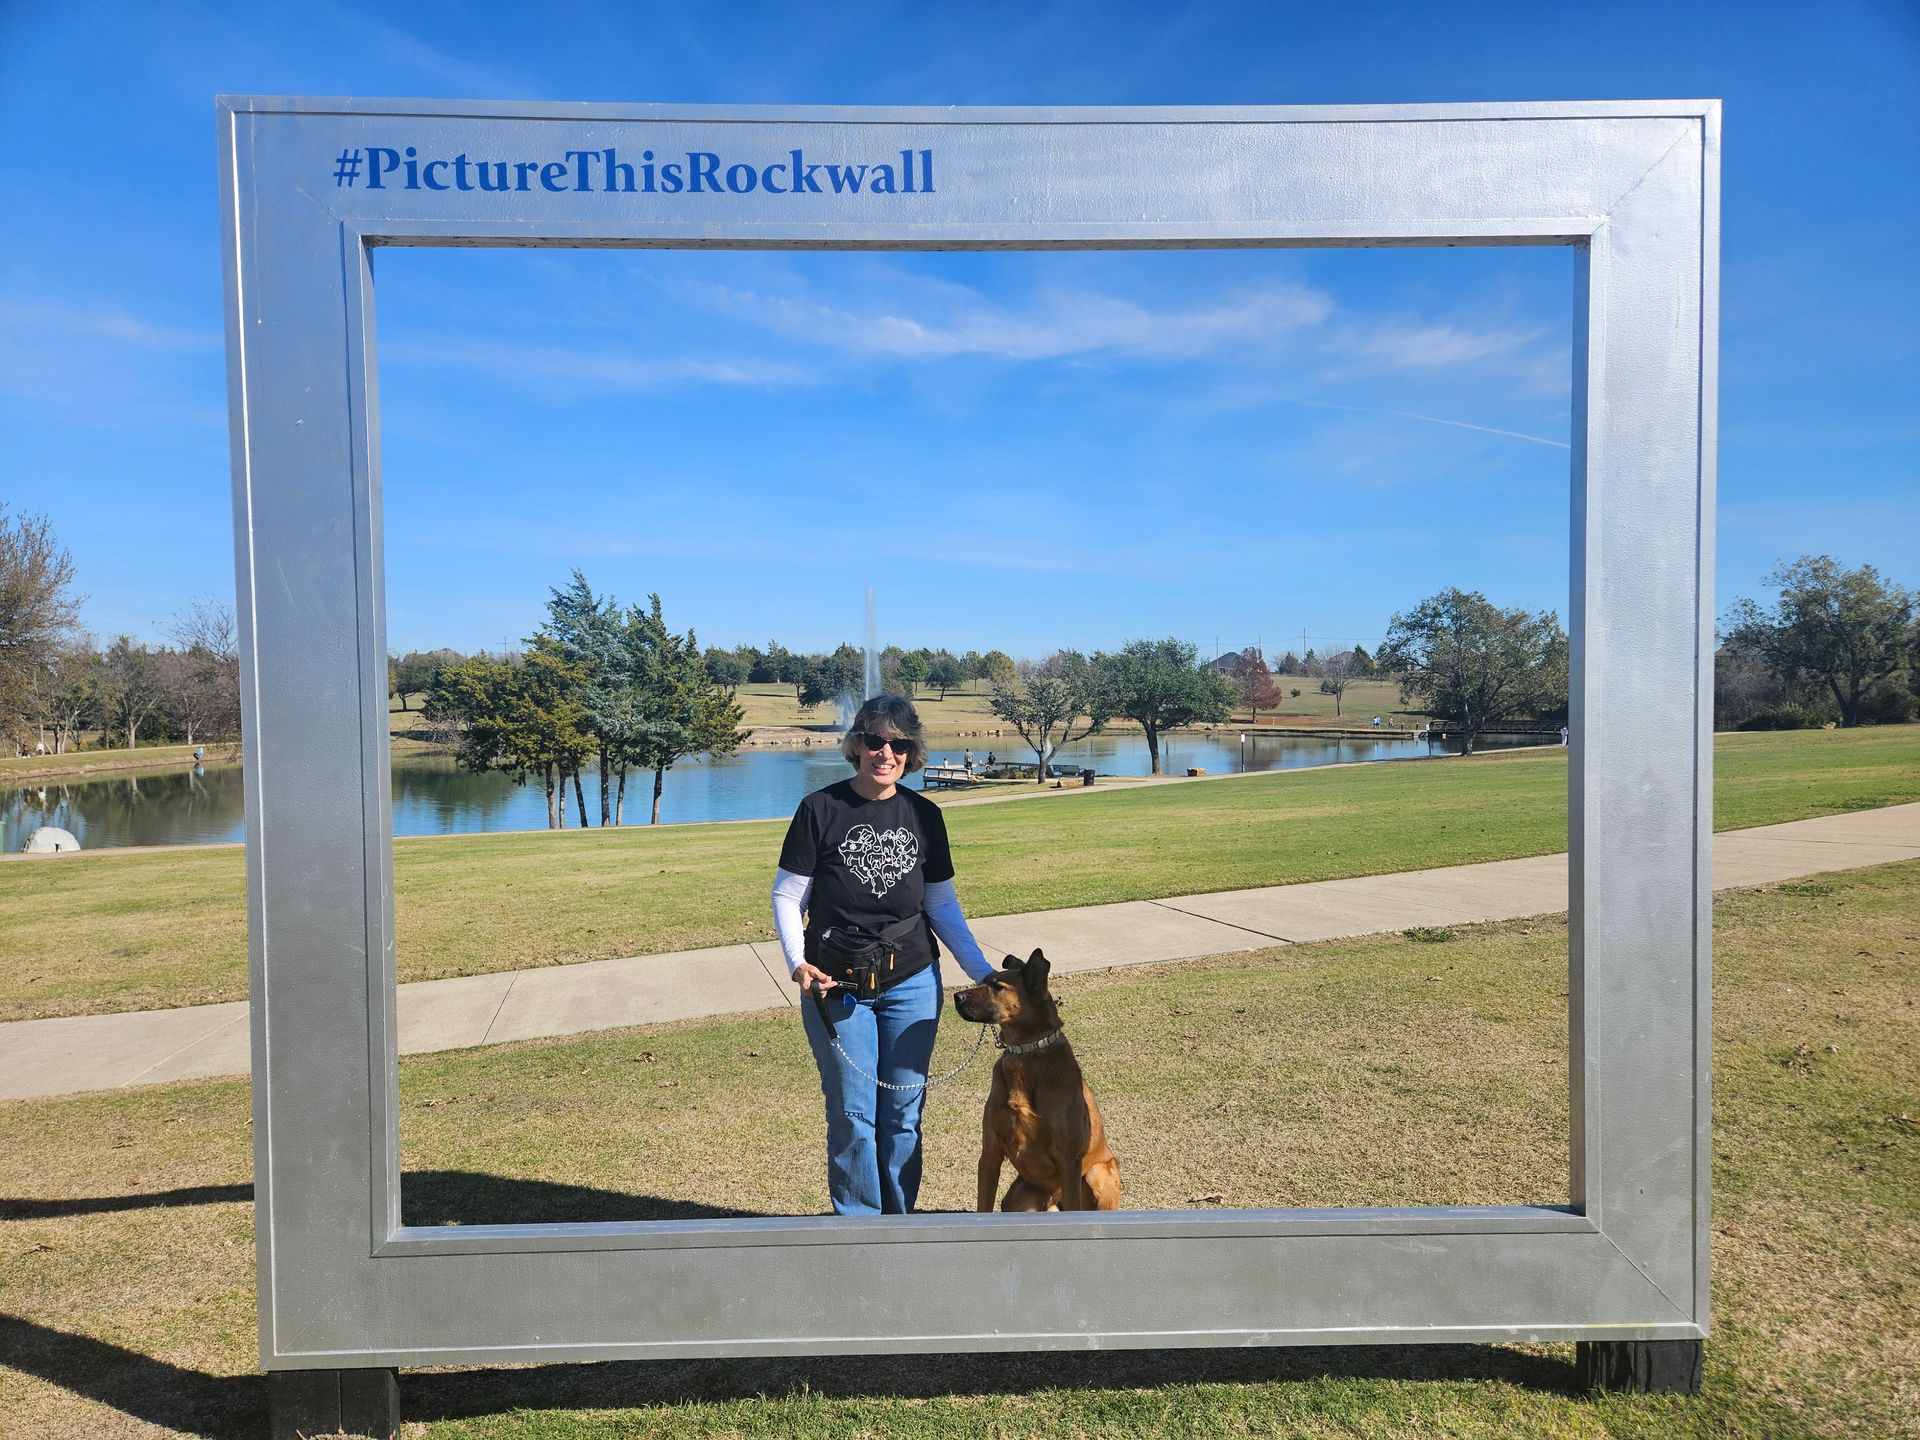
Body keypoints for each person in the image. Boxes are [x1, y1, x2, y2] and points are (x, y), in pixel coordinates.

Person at [771, 694, 996, 1215]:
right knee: (853, 1114)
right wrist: (798, 963)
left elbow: (941, 904)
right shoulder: (819, 810)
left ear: (911, 752)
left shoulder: (925, 815)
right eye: (875, 740)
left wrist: (983, 971)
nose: (886, 753)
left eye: (899, 744)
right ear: (857, 744)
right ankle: (859, 1229)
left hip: (912, 980)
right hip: (837, 984)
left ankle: (899, 1226)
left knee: (902, 1113)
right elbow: (787, 896)